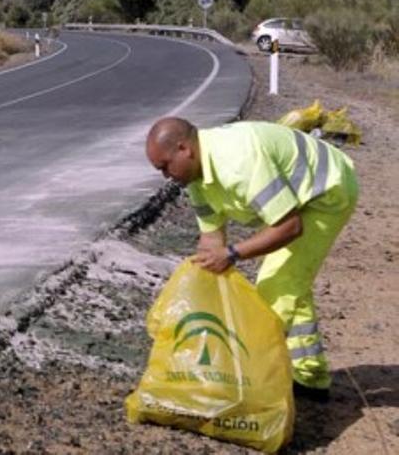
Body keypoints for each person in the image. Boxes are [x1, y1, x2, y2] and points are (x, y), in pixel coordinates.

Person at [145, 117, 358, 400]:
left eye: (165, 166)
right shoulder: (197, 179)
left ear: (185, 149)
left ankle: (257, 377)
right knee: (292, 283)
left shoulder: (238, 162)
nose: (166, 177)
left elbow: (289, 227)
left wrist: (232, 255)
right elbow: (211, 240)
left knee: (276, 285)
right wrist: (203, 290)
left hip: (326, 191)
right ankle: (310, 377)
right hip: (293, 202)